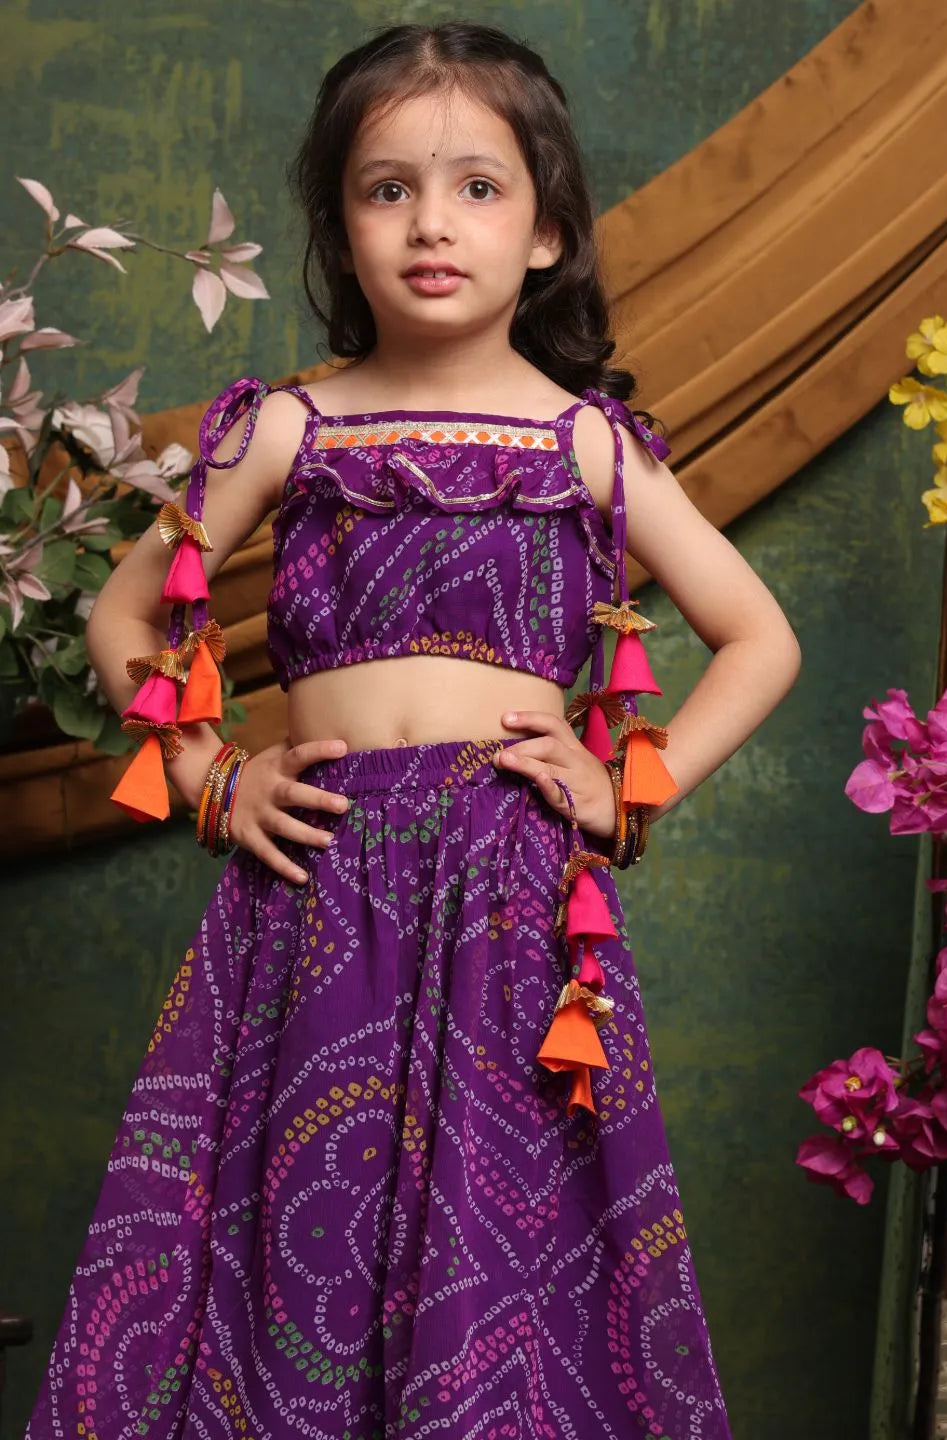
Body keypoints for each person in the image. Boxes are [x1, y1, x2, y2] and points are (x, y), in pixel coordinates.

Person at [25, 21, 800, 1440]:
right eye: (387, 189)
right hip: (304, 895)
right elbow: (123, 622)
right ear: (337, 225)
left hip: (508, 906)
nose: (432, 223)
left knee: (495, 1248)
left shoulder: (588, 445)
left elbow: (762, 638)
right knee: (274, 1256)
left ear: (551, 231)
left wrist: (637, 779)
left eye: (478, 188)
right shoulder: (284, 431)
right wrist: (212, 777)